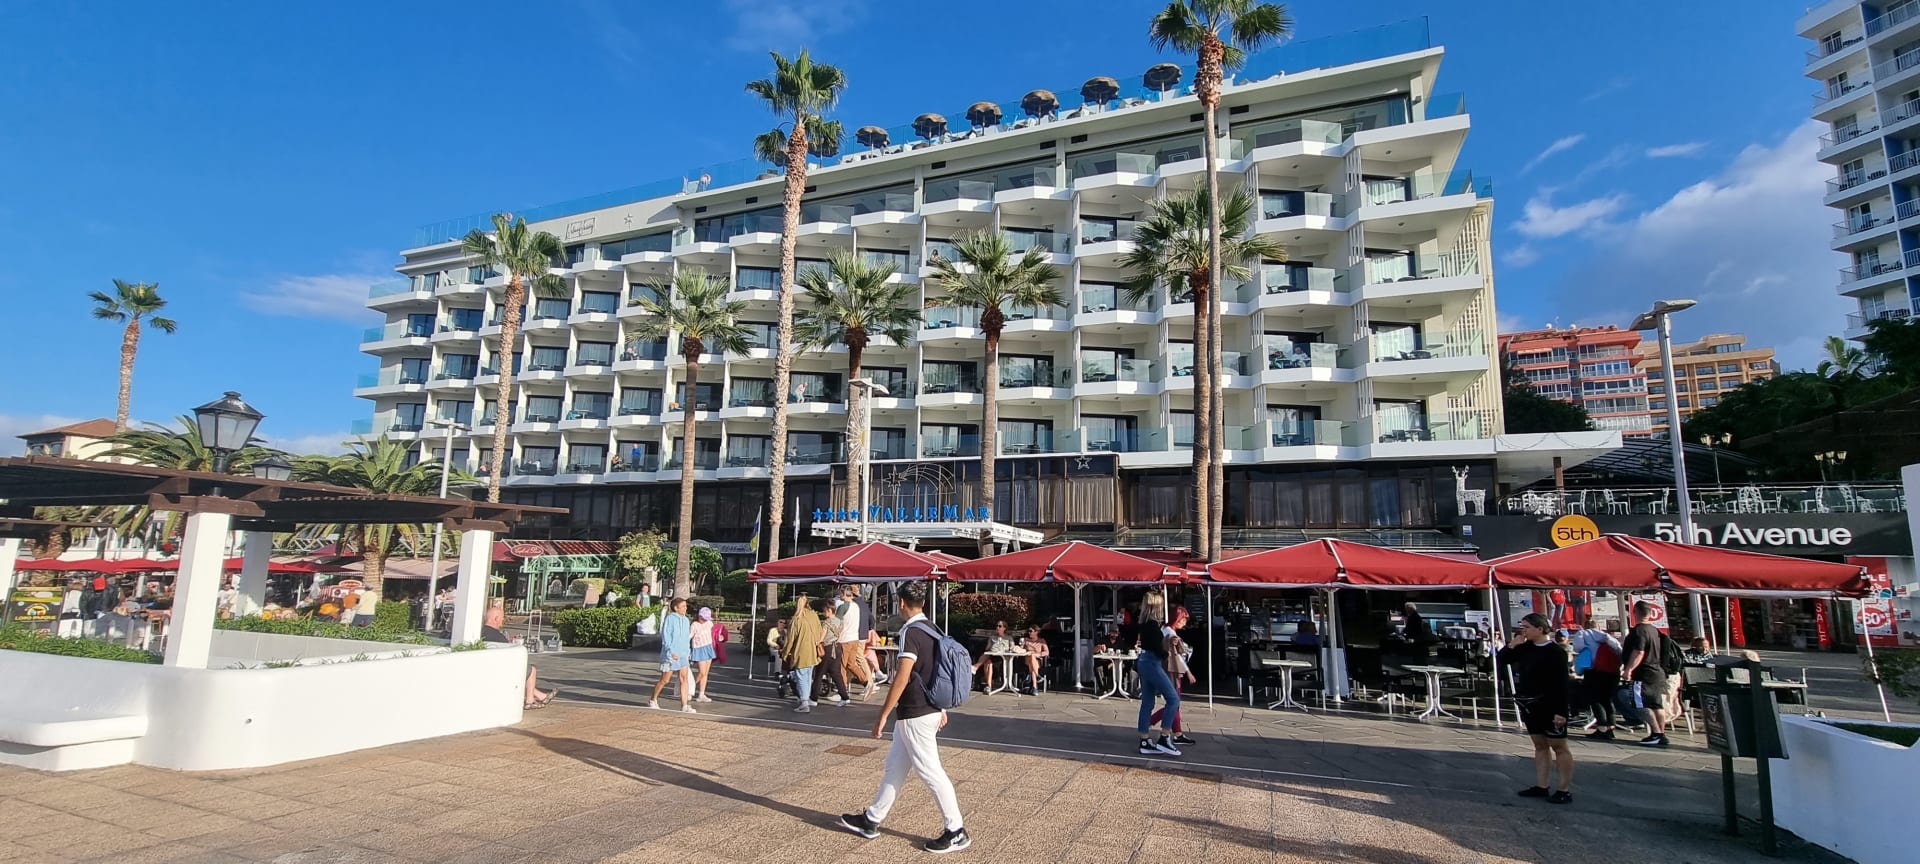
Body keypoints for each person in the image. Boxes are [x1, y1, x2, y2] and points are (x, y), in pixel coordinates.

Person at [837, 582, 969, 853]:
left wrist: (883, 714)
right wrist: (941, 708)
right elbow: (937, 671)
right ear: (923, 603)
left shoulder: (910, 631)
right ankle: (871, 819)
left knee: (931, 772)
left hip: (915, 712)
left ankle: (956, 830)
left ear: (901, 603)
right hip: (927, 708)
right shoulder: (932, 628)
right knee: (895, 767)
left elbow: (903, 676)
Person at [1501, 613, 1574, 804]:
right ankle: (1542, 785)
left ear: (1539, 628)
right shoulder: (1525, 648)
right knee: (1540, 744)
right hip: (1530, 703)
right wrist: (1512, 644)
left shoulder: (1556, 652)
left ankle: (1564, 788)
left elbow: (1562, 683)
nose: (1523, 630)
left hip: (1550, 703)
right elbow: (1503, 659)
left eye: (1527, 627)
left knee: (1559, 745)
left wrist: (1561, 711)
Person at [1134, 594, 1182, 757]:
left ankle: (1144, 740)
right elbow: (1157, 649)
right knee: (1173, 698)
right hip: (1152, 662)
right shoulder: (1153, 626)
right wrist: (1168, 651)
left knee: (1147, 702)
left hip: (1144, 661)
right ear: (1157, 607)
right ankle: (1164, 736)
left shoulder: (1143, 623)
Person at [1619, 600, 1671, 747]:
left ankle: (1656, 733)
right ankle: (1661, 733)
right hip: (1657, 672)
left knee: (1640, 704)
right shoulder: (1655, 631)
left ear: (1635, 613)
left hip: (1643, 673)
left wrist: (1628, 669)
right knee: (1656, 704)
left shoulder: (1639, 631)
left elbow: (1639, 652)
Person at [483, 606, 555, 710]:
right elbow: (511, 656)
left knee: (520, 673)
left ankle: (541, 696)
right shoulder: (499, 637)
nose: (502, 621)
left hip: (487, 669)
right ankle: (530, 700)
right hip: (500, 671)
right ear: (496, 618)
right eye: (502, 619)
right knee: (531, 670)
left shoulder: (478, 633)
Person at [1147, 607, 1197, 746]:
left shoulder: (1165, 630)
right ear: (1177, 619)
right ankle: (1152, 722)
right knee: (1174, 702)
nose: (1184, 622)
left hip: (1166, 669)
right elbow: (1177, 657)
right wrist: (1188, 672)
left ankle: (1177, 732)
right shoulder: (1170, 633)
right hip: (1171, 671)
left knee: (1174, 702)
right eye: (1183, 619)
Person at [1574, 619, 1623, 741]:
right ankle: (1611, 727)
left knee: (1595, 699)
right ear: (1599, 627)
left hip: (1594, 671)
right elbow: (1619, 650)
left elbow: (1578, 647)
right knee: (1607, 699)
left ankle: (1602, 727)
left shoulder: (1582, 633)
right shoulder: (1606, 636)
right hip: (1612, 672)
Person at [647, 597, 697, 713]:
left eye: (685, 606)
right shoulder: (670, 618)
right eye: (683, 606)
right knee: (665, 680)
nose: (685, 608)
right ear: (676, 608)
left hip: (683, 654)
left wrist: (688, 652)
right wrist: (671, 651)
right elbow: (666, 636)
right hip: (670, 655)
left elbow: (686, 638)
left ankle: (685, 705)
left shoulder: (686, 620)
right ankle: (653, 699)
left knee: (684, 679)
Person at [783, 596, 824, 713]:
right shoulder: (814, 616)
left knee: (801, 676)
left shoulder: (796, 619)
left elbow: (790, 639)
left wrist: (785, 653)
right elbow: (820, 632)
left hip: (801, 652)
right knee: (808, 676)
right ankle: (806, 698)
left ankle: (804, 702)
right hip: (813, 651)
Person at [814, 598, 852, 706]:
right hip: (838, 647)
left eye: (824, 611)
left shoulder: (826, 623)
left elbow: (821, 637)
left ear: (829, 610)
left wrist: (817, 642)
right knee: (836, 674)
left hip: (827, 648)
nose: (823, 613)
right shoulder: (840, 622)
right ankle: (845, 697)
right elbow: (840, 634)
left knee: (819, 673)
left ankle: (813, 698)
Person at [837, 585, 873, 691]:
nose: (839, 595)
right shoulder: (856, 606)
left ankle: (842, 691)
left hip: (844, 639)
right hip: (855, 638)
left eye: (840, 593)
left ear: (844, 594)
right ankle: (866, 682)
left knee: (842, 666)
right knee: (852, 664)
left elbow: (836, 623)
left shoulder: (843, 607)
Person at [971, 620, 1013, 692]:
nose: (997, 628)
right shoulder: (992, 637)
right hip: (992, 655)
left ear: (1004, 628)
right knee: (988, 662)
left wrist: (1009, 648)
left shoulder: (1009, 638)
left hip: (1003, 658)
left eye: (1000, 626)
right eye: (997, 626)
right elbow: (987, 649)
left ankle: (975, 667)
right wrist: (991, 646)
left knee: (987, 658)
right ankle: (989, 686)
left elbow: (1012, 647)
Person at [689, 606, 718, 703]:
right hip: (699, 648)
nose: (705, 620)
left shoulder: (709, 623)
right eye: (704, 618)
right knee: (702, 672)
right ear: (699, 616)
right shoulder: (694, 625)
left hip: (708, 647)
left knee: (705, 673)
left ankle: (701, 693)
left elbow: (713, 634)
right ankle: (690, 688)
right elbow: (689, 636)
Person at [1019, 625, 1051, 695]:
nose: (1029, 633)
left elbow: (1047, 652)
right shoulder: (1026, 640)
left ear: (1036, 632)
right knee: (1031, 657)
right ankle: (1036, 681)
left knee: (1033, 661)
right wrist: (1022, 645)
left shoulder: (1041, 641)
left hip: (1037, 660)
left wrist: (1037, 654)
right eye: (1028, 631)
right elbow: (1020, 650)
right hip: (1027, 660)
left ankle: (1035, 685)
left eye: (1031, 631)